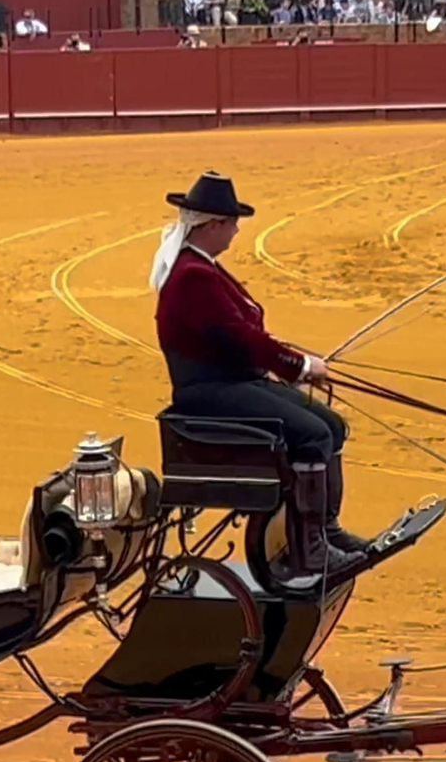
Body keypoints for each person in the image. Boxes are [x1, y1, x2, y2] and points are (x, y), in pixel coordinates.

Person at [152, 171, 374, 588]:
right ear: (213, 225)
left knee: (331, 425)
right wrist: (300, 367)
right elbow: (240, 336)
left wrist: (295, 362)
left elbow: (242, 335)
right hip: (212, 392)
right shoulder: (194, 276)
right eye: (232, 222)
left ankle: (324, 531)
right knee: (312, 434)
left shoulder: (199, 268)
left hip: (233, 382)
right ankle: (311, 551)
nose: (236, 230)